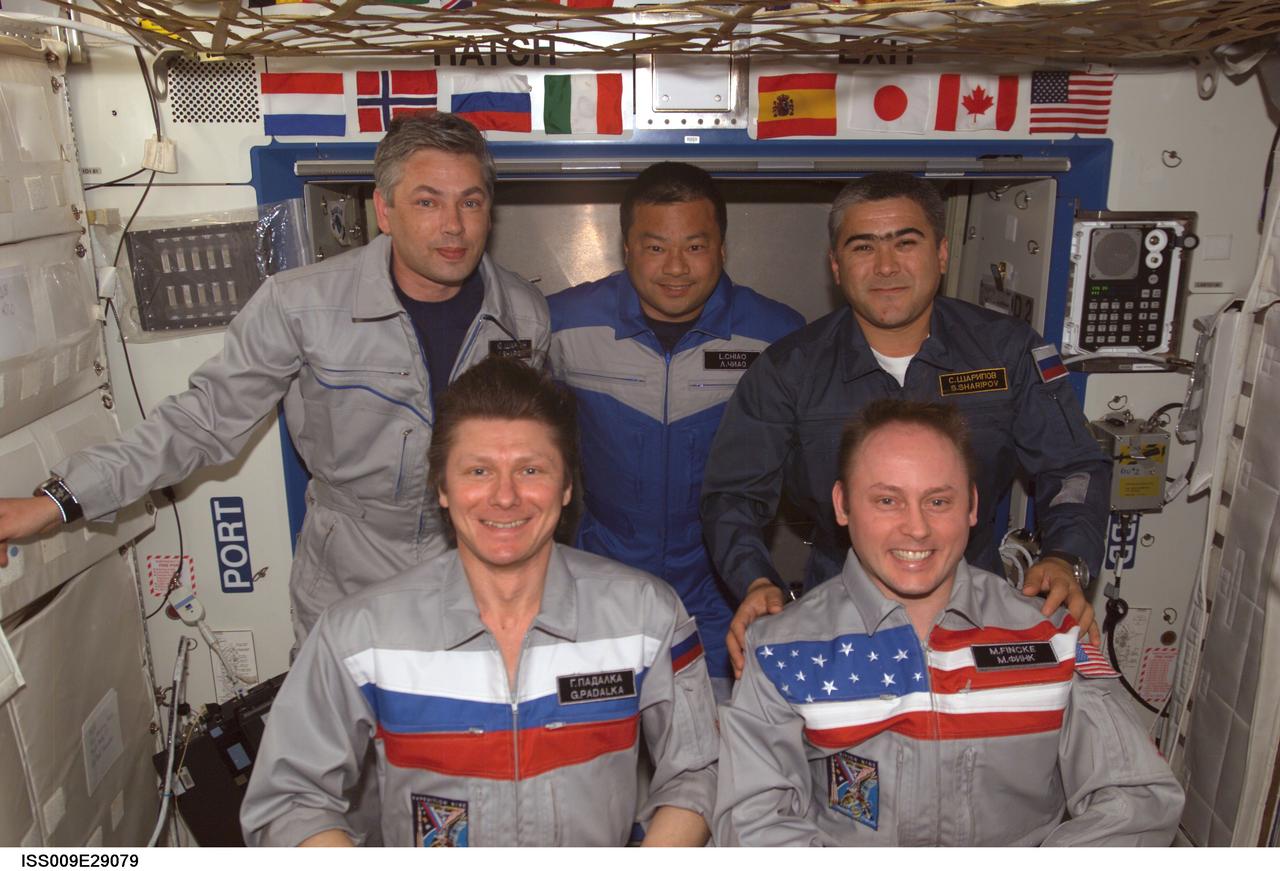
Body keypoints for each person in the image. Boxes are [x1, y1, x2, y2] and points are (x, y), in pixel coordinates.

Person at [0, 113, 550, 643]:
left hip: (484, 572)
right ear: (384, 209)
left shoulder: (523, 315)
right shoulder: (301, 304)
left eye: (470, 202)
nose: (453, 226)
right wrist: (58, 501)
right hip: (350, 575)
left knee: (469, 731)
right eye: (427, 201)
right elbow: (202, 422)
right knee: (342, 735)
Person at [240, 357, 718, 847]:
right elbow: (289, 800)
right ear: (442, 488)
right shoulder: (360, 635)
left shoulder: (647, 618)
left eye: (531, 469)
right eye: (478, 470)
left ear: (568, 486)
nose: (505, 497)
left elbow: (699, 771)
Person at [713, 399, 1183, 846]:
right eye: (886, 501)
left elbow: (1138, 798)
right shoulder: (780, 650)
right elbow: (754, 823)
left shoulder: (1052, 636)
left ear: (973, 506)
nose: (916, 528)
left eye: (938, 501)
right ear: (842, 505)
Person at [701, 171, 1111, 677]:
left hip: (978, 613)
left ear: (941, 255)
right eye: (863, 247)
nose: (886, 266)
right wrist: (756, 582)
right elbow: (733, 496)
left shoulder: (1007, 352)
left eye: (905, 243)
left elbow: (1074, 467)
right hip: (841, 623)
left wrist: (1066, 557)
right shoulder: (791, 371)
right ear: (835, 265)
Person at [546, 162, 805, 698]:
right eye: (655, 247)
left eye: (695, 246)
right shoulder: (562, 325)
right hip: (600, 590)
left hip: (722, 595)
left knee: (714, 763)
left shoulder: (777, 335)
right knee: (602, 762)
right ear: (626, 248)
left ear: (723, 248)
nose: (676, 268)